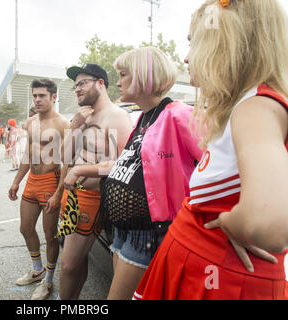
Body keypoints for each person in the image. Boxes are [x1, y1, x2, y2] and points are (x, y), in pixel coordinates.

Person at [135, 0, 288, 300]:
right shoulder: (246, 106)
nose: (187, 57)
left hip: (218, 282)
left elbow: (269, 223)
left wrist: (234, 222)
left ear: (225, 41)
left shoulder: (256, 107)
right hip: (202, 270)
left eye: (193, 42)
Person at [64, 48, 203, 300]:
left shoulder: (178, 114)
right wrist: (80, 168)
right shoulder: (142, 120)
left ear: (143, 76)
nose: (117, 82)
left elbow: (214, 164)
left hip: (148, 233)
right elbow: (123, 166)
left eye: (124, 74)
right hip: (122, 231)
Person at [59, 64, 133, 300]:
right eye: (75, 85)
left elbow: (123, 164)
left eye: (82, 83)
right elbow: (64, 157)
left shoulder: (117, 116)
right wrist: (74, 126)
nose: (77, 89)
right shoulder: (84, 115)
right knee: (77, 262)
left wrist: (82, 169)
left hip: (92, 200)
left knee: (68, 265)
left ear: (100, 83)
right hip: (72, 196)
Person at [8, 79, 70, 300]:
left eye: (42, 95)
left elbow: (68, 162)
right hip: (32, 181)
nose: (37, 99)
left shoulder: (63, 124)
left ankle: (48, 281)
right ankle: (37, 269)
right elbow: (28, 154)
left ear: (53, 97)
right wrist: (17, 181)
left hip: (50, 182)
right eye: (35, 95)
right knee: (25, 228)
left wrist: (58, 193)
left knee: (50, 235)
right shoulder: (30, 122)